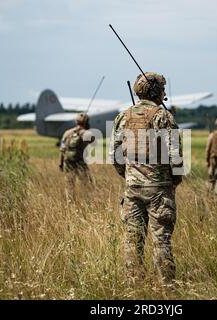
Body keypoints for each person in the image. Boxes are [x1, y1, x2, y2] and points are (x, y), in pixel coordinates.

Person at [110, 72, 183, 284]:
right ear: (155, 91)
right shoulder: (163, 117)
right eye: (162, 88)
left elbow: (114, 154)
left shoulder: (123, 116)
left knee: (133, 240)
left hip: (132, 188)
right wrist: (174, 181)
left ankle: (135, 286)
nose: (165, 92)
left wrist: (128, 175)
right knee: (161, 241)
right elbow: (175, 156)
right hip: (159, 189)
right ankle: (167, 288)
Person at [59, 113, 95, 190]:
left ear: (76, 122)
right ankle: (87, 200)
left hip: (68, 161)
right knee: (87, 183)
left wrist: (61, 163)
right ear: (86, 122)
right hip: (80, 161)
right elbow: (93, 140)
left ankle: (70, 201)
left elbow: (62, 150)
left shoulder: (67, 133)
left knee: (69, 185)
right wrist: (84, 130)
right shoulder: (84, 133)